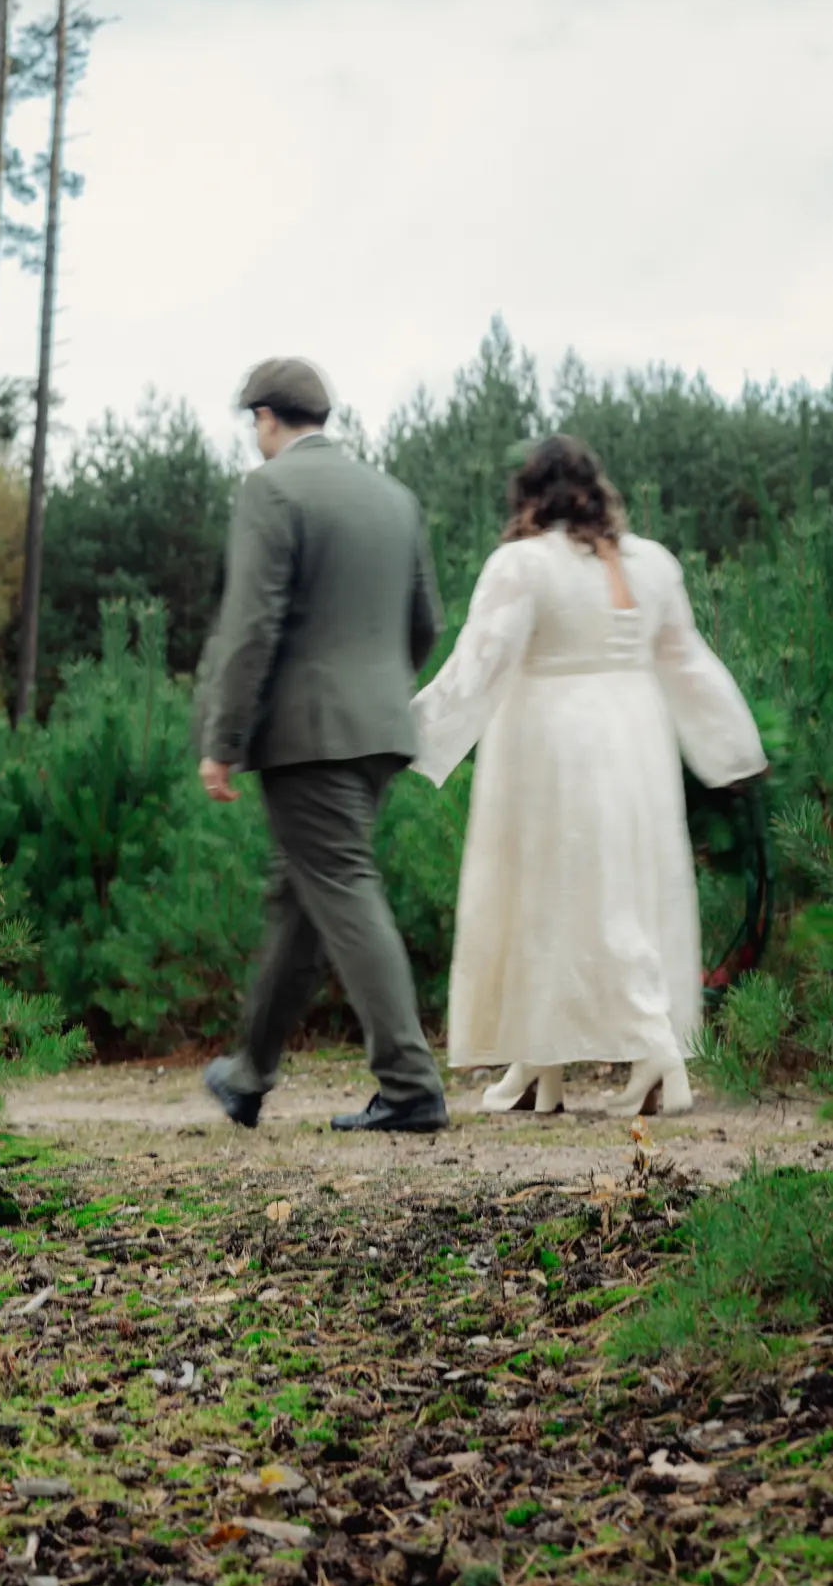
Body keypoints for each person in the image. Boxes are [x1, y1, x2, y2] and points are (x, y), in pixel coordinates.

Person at [412, 434, 767, 1117]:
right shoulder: (653, 564)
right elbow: (686, 662)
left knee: (560, 892)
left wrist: (409, 730)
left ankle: (651, 1045)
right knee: (621, 887)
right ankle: (539, 1062)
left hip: (550, 742)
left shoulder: (522, 564)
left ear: (527, 492)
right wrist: (733, 748)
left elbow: (480, 662)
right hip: (637, 737)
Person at [195, 357, 448, 1134]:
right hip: (376, 728)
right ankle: (249, 1074)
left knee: (337, 884)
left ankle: (408, 1084)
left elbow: (252, 626)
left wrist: (223, 738)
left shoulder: (270, 490)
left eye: (254, 424)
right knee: (300, 898)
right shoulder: (392, 496)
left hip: (307, 734)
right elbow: (425, 620)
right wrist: (373, 698)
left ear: (268, 418)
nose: (255, 438)